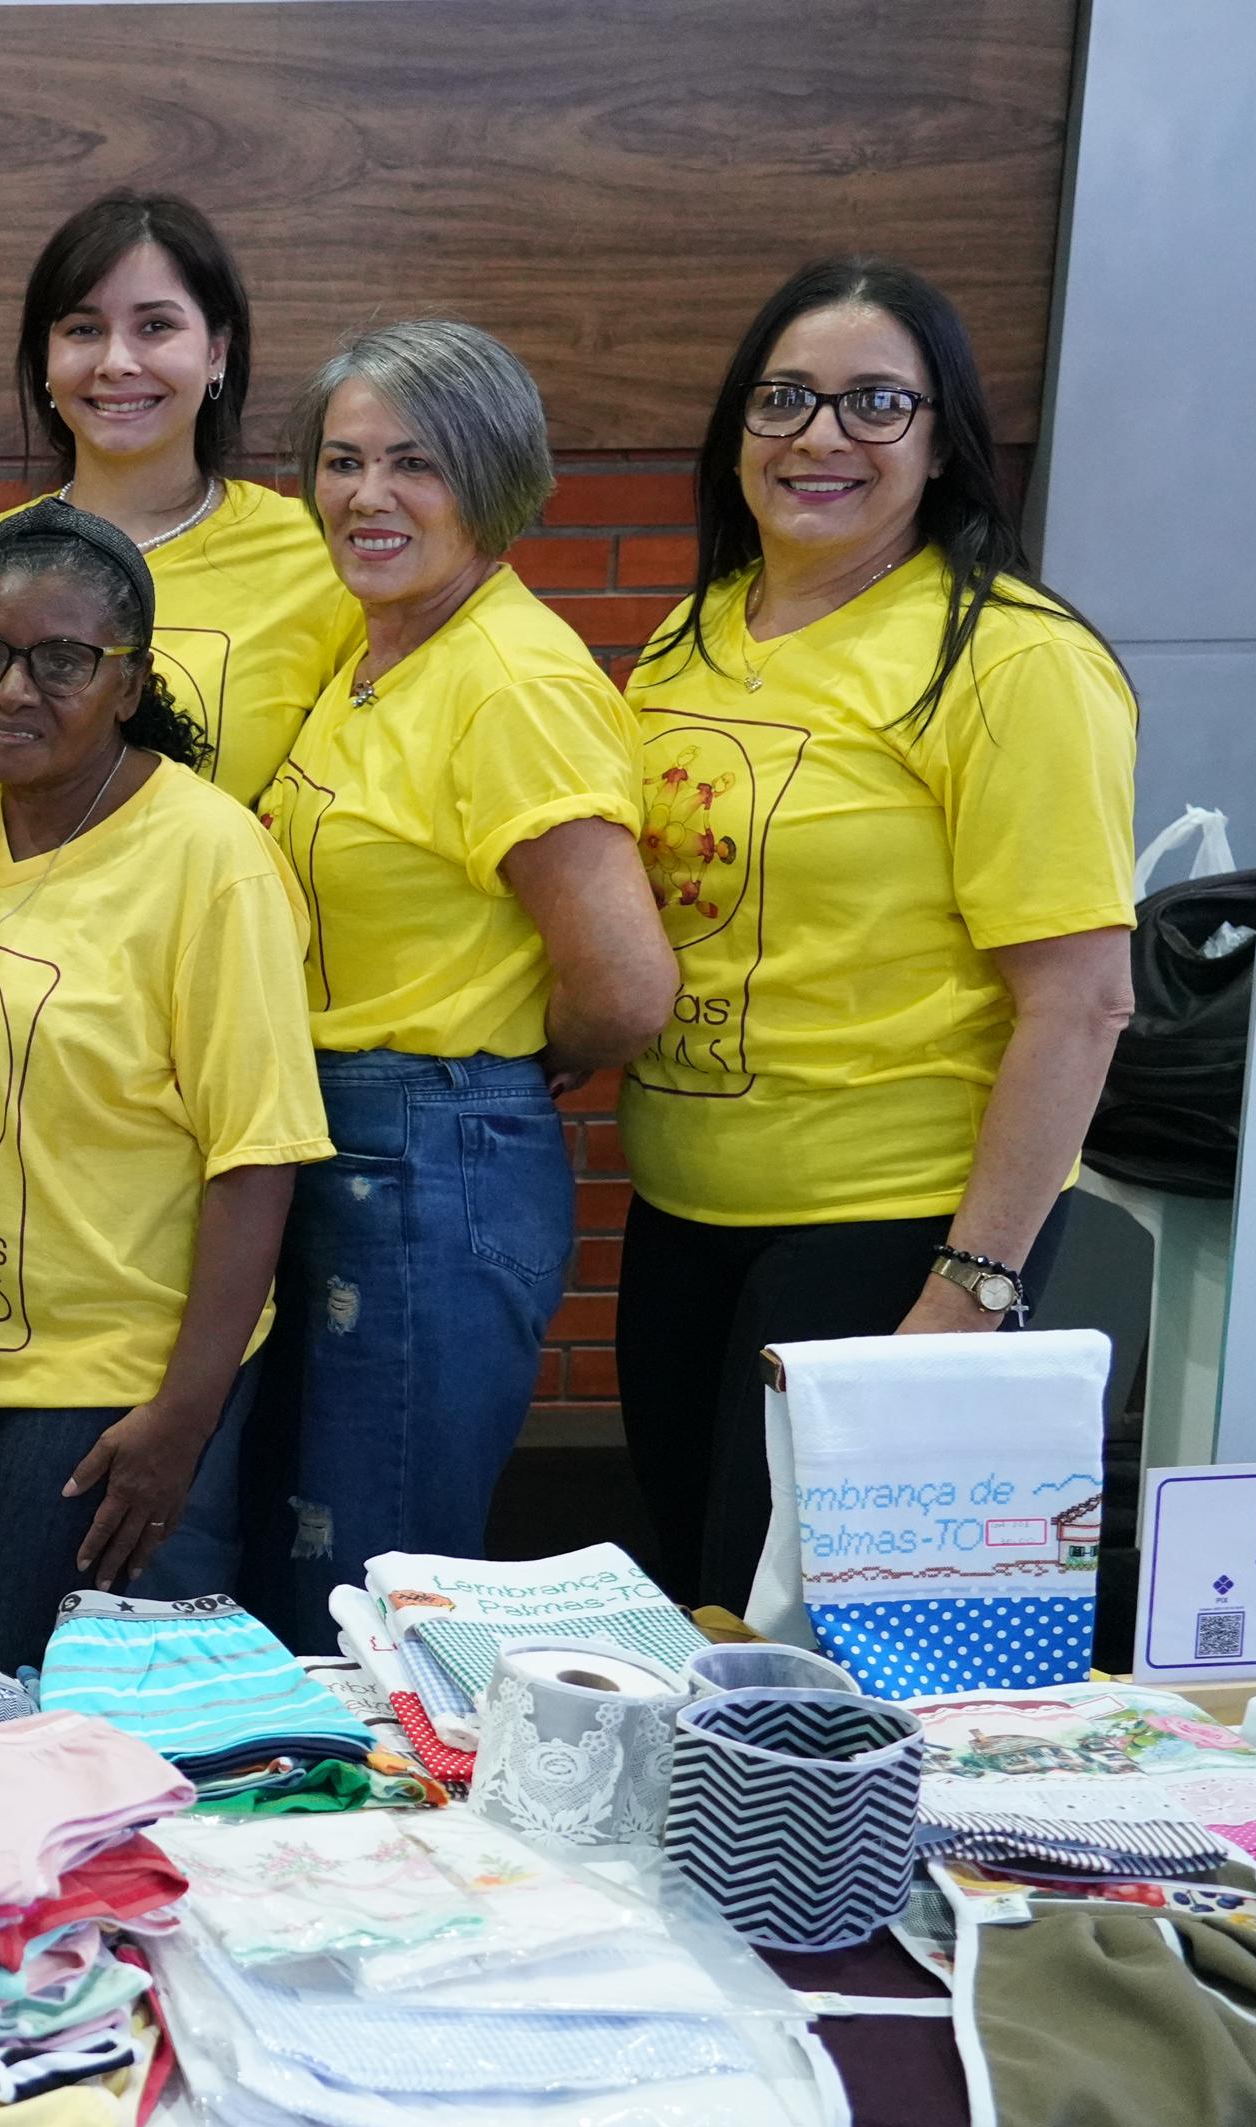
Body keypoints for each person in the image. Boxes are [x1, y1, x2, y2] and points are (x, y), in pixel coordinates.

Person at [612, 257, 1137, 1612]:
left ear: (945, 438)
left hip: (891, 1221)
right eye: (785, 399)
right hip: (683, 1209)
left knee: (800, 1647)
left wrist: (974, 1284)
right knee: (696, 1605)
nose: (820, 437)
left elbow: (1079, 1004)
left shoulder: (1012, 661)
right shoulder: (690, 638)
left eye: (873, 404)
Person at [236, 322, 676, 1644]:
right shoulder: (383, 649)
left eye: (414, 463)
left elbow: (626, 987)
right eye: (344, 461)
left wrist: (495, 1057)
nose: (369, 497)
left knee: (379, 1584)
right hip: (349, 1141)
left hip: (432, 1155)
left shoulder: (511, 682)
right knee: (318, 1553)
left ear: (494, 480)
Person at [0, 503, 328, 1676]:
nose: (10, 688)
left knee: (44, 1708)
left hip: (106, 1386)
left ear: (126, 683)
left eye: (60, 659)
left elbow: (255, 1154)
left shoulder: (208, 859)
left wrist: (182, 1418)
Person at [0, 190, 359, 808]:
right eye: (84, 329)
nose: (117, 362)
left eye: (156, 327)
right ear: (46, 356)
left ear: (216, 351)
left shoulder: (321, 559)